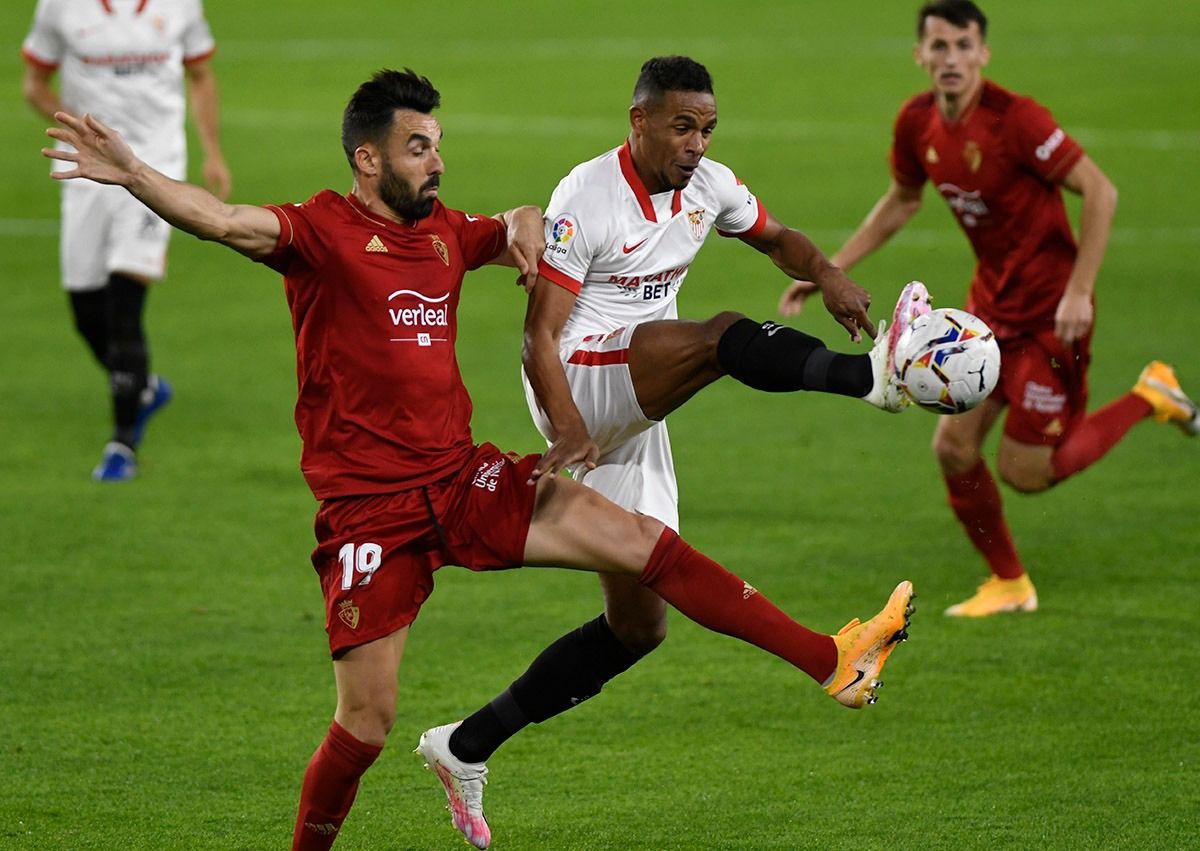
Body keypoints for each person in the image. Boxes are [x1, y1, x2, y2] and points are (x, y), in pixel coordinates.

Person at [42, 69, 915, 851]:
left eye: (438, 146)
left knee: (642, 544)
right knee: (366, 725)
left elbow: (519, 226)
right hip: (369, 515)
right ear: (366, 159)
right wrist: (139, 178)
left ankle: (830, 658)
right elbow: (225, 220)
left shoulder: (447, 235)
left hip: (462, 480)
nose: (436, 163)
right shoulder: (320, 235)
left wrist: (526, 224)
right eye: (418, 148)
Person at [414, 55, 931, 848]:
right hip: (579, 381)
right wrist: (567, 427)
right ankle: (876, 381)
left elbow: (777, 236)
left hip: (636, 400)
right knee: (721, 335)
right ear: (641, 121)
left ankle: (465, 745)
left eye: (707, 128)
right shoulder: (585, 196)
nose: (696, 143)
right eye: (683, 126)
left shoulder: (709, 185)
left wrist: (826, 271)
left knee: (638, 628)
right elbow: (537, 336)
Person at [780, 0, 1198, 617]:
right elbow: (901, 201)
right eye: (939, 47)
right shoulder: (918, 123)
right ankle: (1010, 583)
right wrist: (829, 271)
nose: (951, 59)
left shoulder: (1016, 119)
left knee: (1028, 473)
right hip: (989, 310)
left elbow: (1101, 191)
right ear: (920, 54)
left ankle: (1150, 396)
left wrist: (1080, 291)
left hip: (1054, 316)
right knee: (952, 448)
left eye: (963, 46)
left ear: (983, 54)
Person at [22, 0, 232, 481]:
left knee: (125, 303)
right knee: (86, 312)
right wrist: (81, 129)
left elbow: (201, 75)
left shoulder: (180, 6)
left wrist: (213, 152)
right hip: (86, 171)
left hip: (157, 166)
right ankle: (144, 387)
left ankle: (121, 445)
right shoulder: (58, 7)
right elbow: (33, 83)